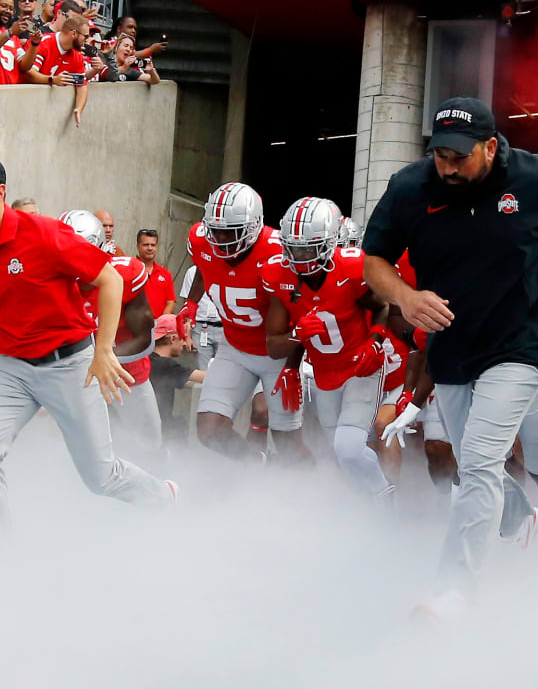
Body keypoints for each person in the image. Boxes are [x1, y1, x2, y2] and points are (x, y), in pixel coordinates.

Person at [362, 96, 538, 613]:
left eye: (459, 156)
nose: (448, 167)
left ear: (491, 146)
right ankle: (521, 520)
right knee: (472, 466)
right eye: (440, 156)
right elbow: (374, 260)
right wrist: (406, 297)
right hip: (451, 345)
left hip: (519, 344)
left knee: (476, 464)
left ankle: (455, 591)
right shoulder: (411, 185)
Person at [0, 153, 173, 536]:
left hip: (71, 362)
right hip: (12, 368)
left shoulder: (42, 233)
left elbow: (110, 280)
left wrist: (104, 350)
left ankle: (165, 501)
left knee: (99, 476)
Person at [264, 196, 392, 498]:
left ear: (330, 242)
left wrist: (376, 341)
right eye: (293, 247)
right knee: (340, 452)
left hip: (360, 367)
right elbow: (274, 344)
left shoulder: (351, 268)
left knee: (348, 447)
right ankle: (360, 505)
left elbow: (382, 307)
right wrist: (296, 342)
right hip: (324, 374)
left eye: (308, 247)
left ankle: (383, 496)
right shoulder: (280, 275)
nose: (299, 255)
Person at [179, 182, 307, 461]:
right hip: (234, 346)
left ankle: (310, 488)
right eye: (216, 230)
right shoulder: (202, 241)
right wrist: (189, 305)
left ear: (254, 227)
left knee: (287, 440)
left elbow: (299, 309)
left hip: (276, 355)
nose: (221, 239)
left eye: (230, 231)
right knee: (209, 429)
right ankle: (255, 466)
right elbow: (203, 267)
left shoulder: (278, 252)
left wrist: (293, 367)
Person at [60, 210, 161, 459]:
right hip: (77, 377)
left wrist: (103, 359)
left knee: (149, 447)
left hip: (127, 377)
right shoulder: (53, 281)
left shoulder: (125, 276)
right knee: (81, 450)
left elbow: (144, 338)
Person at [26, 13, 91, 126]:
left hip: (45, 112)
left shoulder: (77, 55)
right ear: (74, 33)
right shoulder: (45, 42)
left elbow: (82, 85)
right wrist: (53, 80)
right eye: (85, 36)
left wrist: (78, 108)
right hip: (26, 103)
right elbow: (29, 73)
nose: (87, 40)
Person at [148, 314, 205, 442]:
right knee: (179, 426)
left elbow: (179, 378)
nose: (184, 343)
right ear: (173, 339)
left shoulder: (149, 360)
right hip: (162, 428)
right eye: (183, 338)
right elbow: (202, 377)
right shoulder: (167, 365)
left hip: (145, 424)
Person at [136, 228, 176, 318]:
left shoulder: (166, 274)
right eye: (146, 245)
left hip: (158, 328)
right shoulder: (130, 271)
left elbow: (170, 303)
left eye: (153, 245)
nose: (150, 248)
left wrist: (160, 322)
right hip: (134, 326)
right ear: (138, 246)